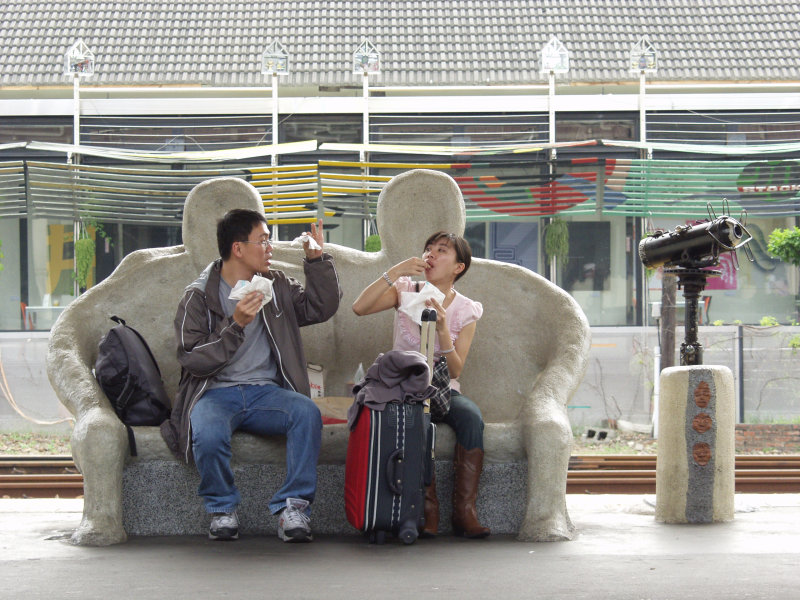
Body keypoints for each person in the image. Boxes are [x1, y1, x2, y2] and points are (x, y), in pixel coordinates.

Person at [160, 209, 342, 543]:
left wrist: (317, 261)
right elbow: (192, 358)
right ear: (238, 248)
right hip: (213, 393)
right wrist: (236, 324)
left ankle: (294, 509)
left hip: (266, 394)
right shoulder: (198, 296)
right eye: (263, 240)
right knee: (209, 435)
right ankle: (222, 509)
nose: (270, 247)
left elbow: (320, 308)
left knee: (306, 413)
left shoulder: (276, 284)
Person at [352, 231, 490, 538]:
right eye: (428, 248)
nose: (431, 255)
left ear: (459, 267)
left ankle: (465, 511)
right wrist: (397, 270)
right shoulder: (405, 289)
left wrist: (442, 329)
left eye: (442, 251)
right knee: (419, 421)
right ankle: (426, 508)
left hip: (442, 388)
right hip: (405, 388)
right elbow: (359, 308)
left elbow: (456, 369)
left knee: (470, 417)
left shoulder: (467, 309)